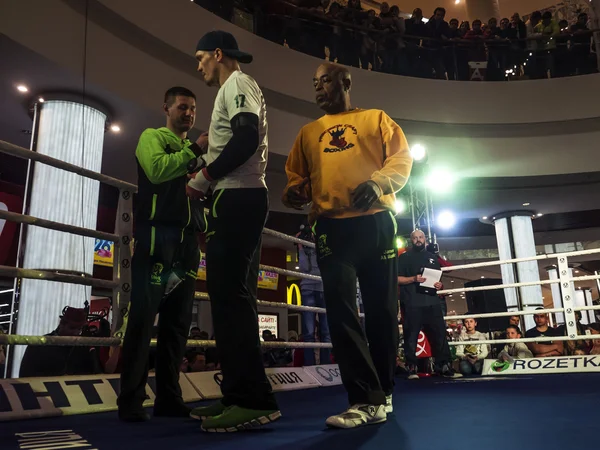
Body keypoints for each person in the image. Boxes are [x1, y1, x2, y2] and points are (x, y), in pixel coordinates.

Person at [282, 63, 412, 429]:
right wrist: (294, 192)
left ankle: (383, 392)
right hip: (331, 227)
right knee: (340, 312)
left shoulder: (376, 118)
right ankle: (364, 398)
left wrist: (381, 181)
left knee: (383, 311)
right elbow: (296, 178)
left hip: (376, 223)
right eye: (314, 83)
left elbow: (401, 158)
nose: (319, 88)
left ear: (346, 82)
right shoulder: (308, 133)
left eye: (325, 80)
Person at [186, 30, 280, 432]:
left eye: (201, 57)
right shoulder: (233, 89)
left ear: (218, 54)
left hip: (237, 196)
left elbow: (245, 138)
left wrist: (204, 175)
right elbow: (237, 140)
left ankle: (255, 399)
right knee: (226, 299)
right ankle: (238, 395)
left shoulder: (237, 83)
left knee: (232, 299)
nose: (199, 65)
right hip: (234, 198)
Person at [117, 87, 205, 422]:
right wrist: (196, 149)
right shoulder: (151, 137)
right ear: (166, 108)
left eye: (193, 108)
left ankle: (169, 398)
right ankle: (131, 400)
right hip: (156, 237)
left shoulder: (190, 150)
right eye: (183, 107)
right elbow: (155, 170)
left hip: (186, 243)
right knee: (142, 319)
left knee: (179, 324)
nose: (189, 113)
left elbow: (197, 193)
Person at [398, 230, 458, 379]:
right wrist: (413, 278)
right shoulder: (404, 258)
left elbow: (438, 278)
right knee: (411, 337)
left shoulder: (432, 258)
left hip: (432, 301)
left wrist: (439, 285)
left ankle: (443, 367)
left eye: (420, 237)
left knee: (440, 335)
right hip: (412, 302)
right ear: (410, 240)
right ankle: (411, 368)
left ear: (425, 239)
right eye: (415, 238)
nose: (418, 240)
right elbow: (397, 279)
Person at [297, 225, 331, 366]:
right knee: (309, 331)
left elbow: (324, 265)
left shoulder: (323, 244)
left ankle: (326, 365)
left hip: (322, 287)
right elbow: (305, 267)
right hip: (308, 288)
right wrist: (300, 245)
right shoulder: (303, 246)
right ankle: (310, 365)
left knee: (326, 330)